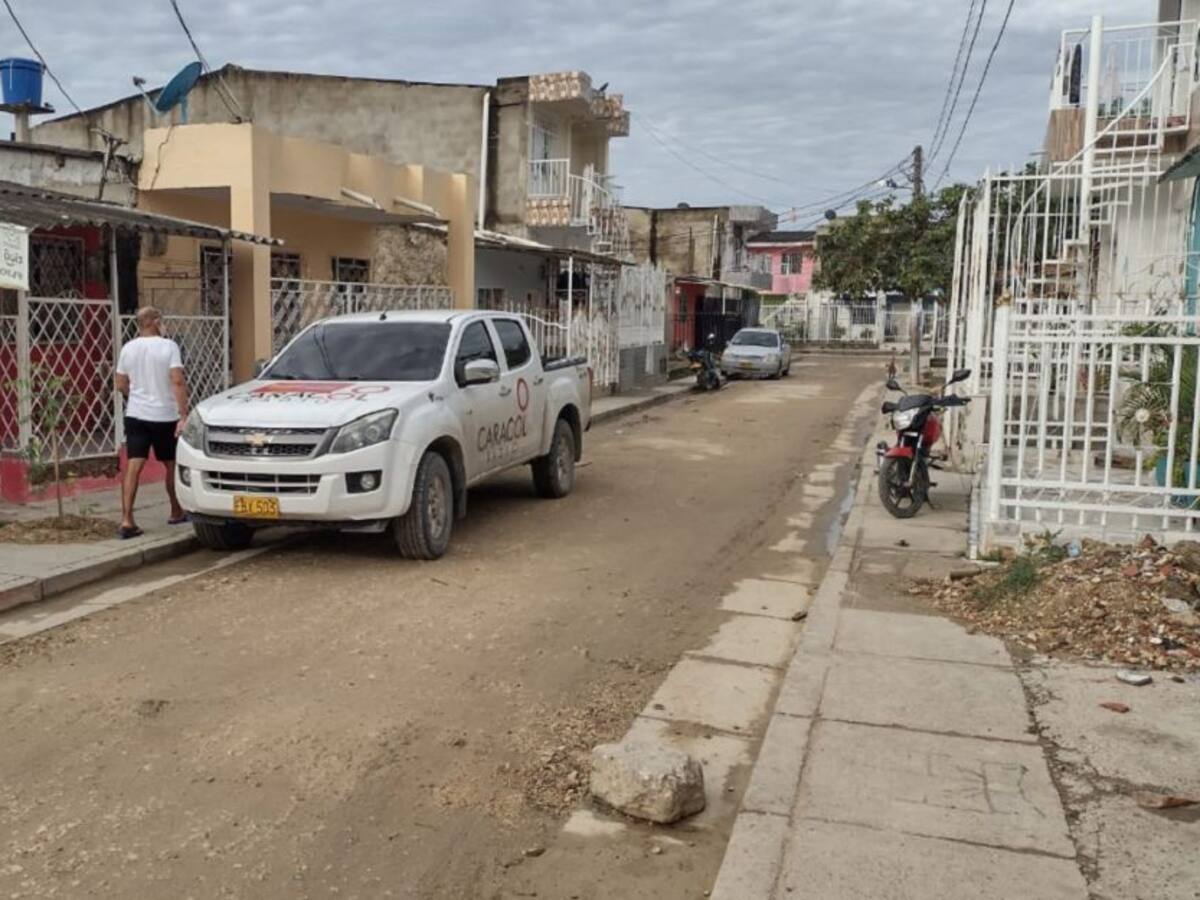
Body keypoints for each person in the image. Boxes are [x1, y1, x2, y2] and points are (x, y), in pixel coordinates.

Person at [114, 307, 190, 539]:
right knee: (171, 464)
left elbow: (120, 384)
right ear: (154, 322)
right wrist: (183, 414)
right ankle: (176, 510)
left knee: (134, 465)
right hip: (164, 415)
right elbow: (177, 381)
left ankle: (127, 520)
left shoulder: (128, 348)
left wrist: (136, 397)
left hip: (136, 415)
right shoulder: (169, 347)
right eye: (161, 320)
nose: (163, 324)